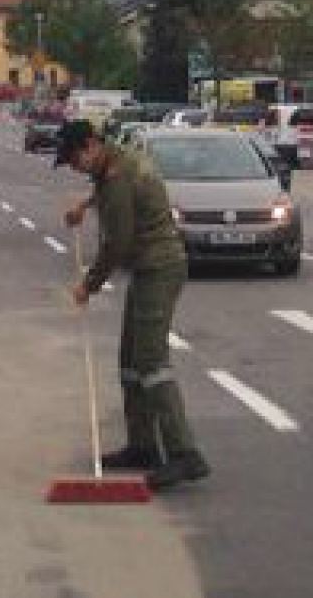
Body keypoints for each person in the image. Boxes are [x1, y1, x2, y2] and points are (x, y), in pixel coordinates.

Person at [56, 120, 209, 491]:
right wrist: (85, 205)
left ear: (91, 144)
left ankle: (185, 455)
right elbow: (109, 189)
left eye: (75, 158)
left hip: (159, 268)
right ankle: (142, 446)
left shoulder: (118, 174)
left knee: (152, 364)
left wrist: (88, 285)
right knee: (129, 360)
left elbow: (118, 244)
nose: (74, 167)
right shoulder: (117, 162)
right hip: (147, 269)